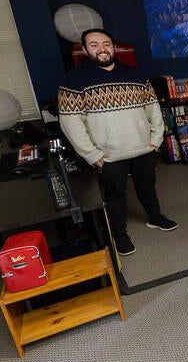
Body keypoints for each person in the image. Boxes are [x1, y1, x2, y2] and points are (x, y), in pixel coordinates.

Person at [58, 29, 177, 257]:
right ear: (85, 49)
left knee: (147, 186)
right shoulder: (73, 81)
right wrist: (92, 155)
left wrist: (155, 140)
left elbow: (153, 110)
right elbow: (71, 124)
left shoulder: (134, 74)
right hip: (109, 155)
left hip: (143, 148)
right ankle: (120, 235)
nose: (101, 48)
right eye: (94, 44)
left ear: (113, 47)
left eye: (106, 43)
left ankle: (155, 217)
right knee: (115, 196)